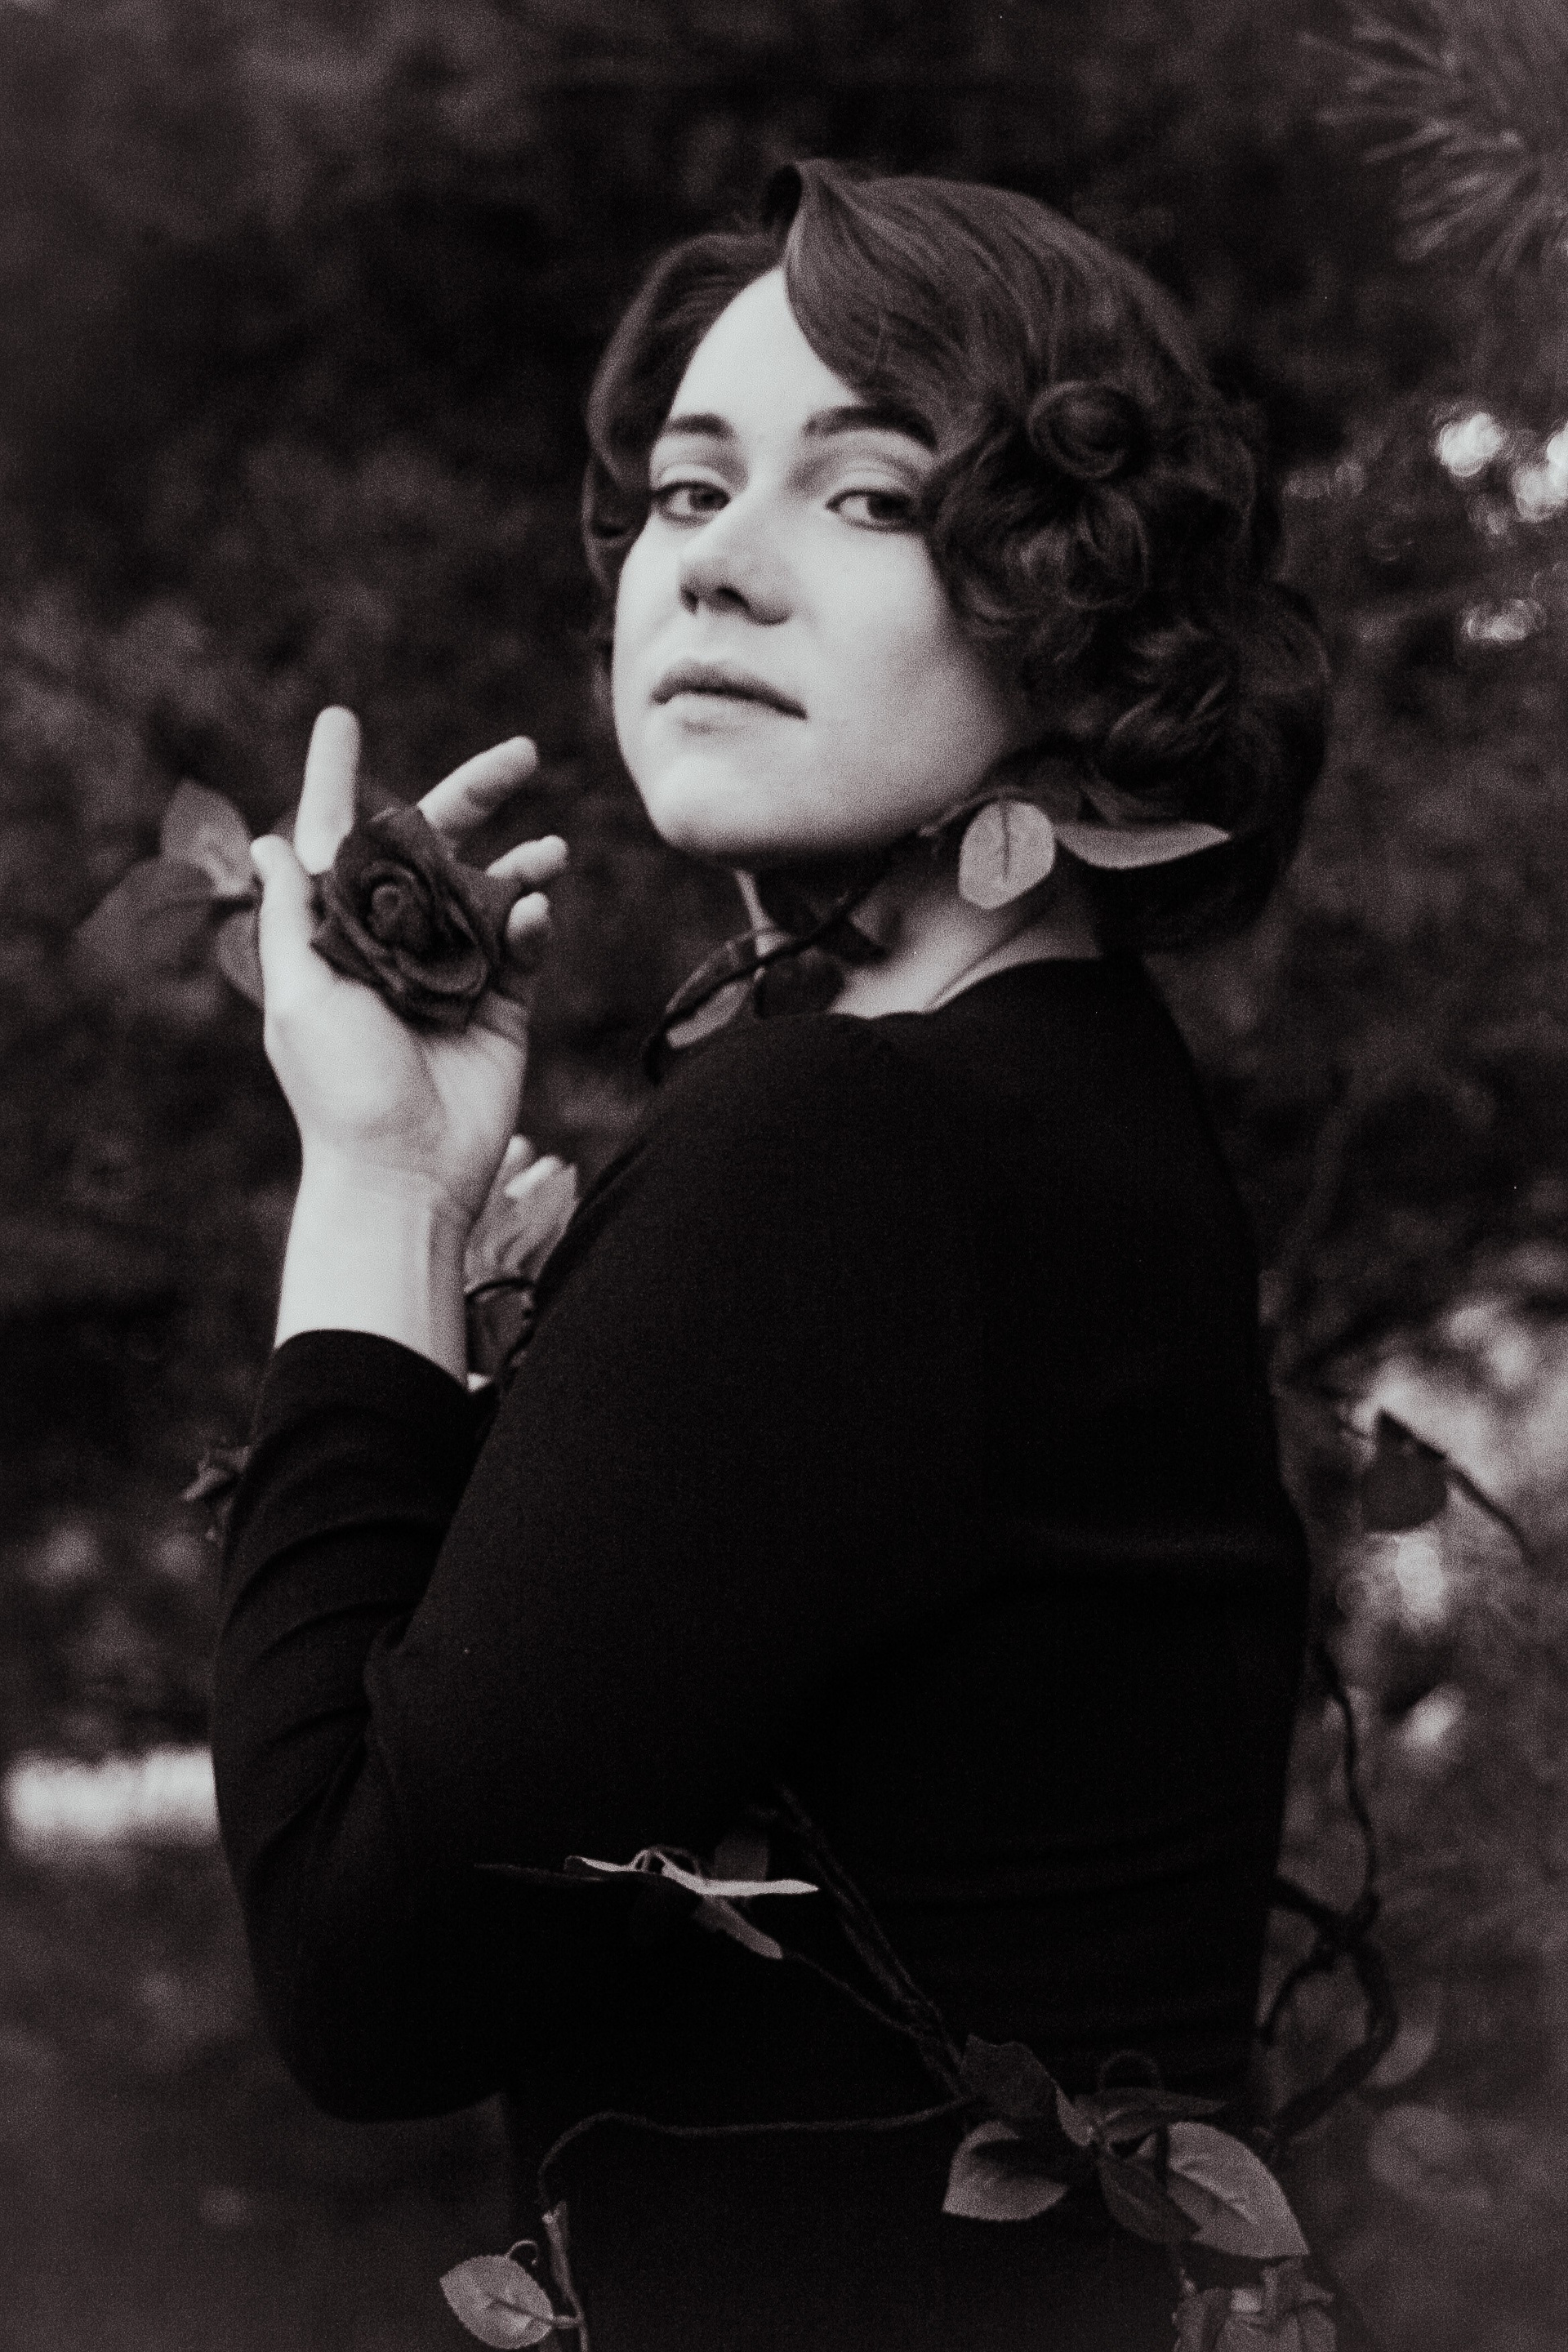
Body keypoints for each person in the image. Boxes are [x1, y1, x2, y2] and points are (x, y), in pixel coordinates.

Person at [213, 162, 1330, 2350]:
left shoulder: (857, 1146)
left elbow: (364, 1972)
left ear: (1079, 604)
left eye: (872, 495)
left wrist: (374, 1200)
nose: (714, 559)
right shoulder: (1079, 1110)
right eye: (685, 489)